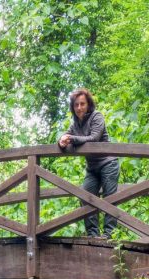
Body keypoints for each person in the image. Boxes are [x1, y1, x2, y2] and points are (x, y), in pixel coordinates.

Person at [57, 89, 120, 239]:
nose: (79, 108)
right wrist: (61, 141)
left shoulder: (96, 116)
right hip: (92, 167)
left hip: (108, 162)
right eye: (76, 105)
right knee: (85, 196)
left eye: (82, 104)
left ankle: (109, 236)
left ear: (88, 104)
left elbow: (94, 138)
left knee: (109, 199)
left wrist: (71, 138)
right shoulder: (75, 123)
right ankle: (93, 235)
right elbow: (65, 138)